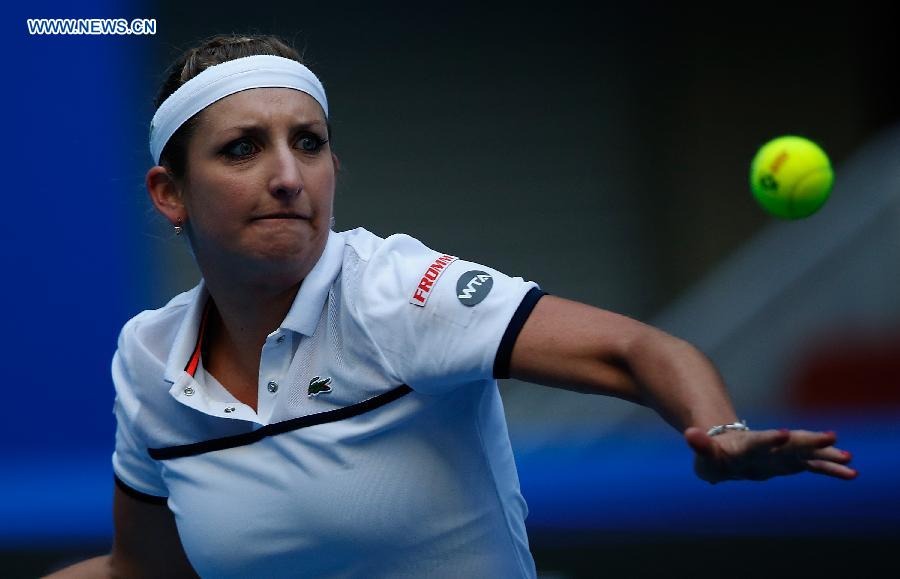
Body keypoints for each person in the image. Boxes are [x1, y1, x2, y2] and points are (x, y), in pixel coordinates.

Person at [47, 34, 856, 579]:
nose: (289, 175)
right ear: (169, 193)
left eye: (309, 141)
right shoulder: (150, 360)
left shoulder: (395, 292)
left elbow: (639, 350)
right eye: (242, 148)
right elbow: (143, 571)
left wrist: (719, 430)